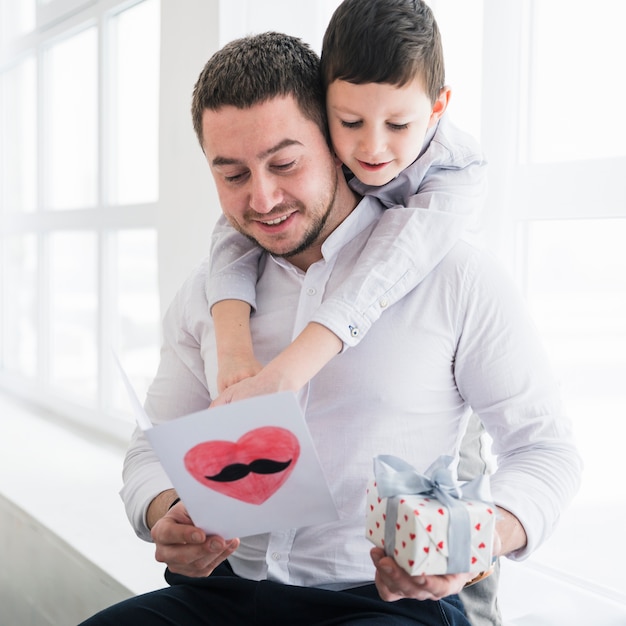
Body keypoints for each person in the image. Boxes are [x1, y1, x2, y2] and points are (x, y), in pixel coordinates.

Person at [79, 31, 581, 626]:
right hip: (221, 597)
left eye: (285, 164)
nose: (262, 198)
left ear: (337, 145)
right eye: (232, 175)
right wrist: (163, 509)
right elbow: (151, 447)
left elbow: (545, 449)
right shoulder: (210, 296)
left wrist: (475, 538)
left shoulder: (457, 276)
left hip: (380, 605)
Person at [209, 0, 486, 405]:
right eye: (350, 122)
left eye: (398, 125)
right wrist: (233, 353)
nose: (372, 148)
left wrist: (288, 373)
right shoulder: (322, 148)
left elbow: (394, 261)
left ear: (437, 109)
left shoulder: (456, 171)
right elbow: (234, 230)